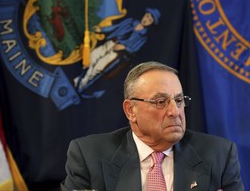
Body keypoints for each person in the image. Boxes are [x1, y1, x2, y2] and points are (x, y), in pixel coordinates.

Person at [61, 61, 244, 191]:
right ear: (130, 110)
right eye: (161, 101)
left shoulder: (219, 155)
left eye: (179, 100)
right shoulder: (88, 156)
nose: (175, 111)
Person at [74, 8, 160, 92]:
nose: (146, 20)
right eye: (147, 16)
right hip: (111, 42)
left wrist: (124, 47)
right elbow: (116, 27)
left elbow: (135, 48)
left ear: (151, 23)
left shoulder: (143, 37)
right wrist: (102, 30)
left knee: (99, 66)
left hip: (117, 53)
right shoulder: (131, 21)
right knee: (93, 56)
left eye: (150, 20)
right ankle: (80, 80)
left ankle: (81, 83)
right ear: (144, 14)